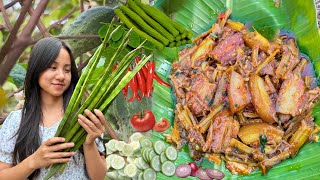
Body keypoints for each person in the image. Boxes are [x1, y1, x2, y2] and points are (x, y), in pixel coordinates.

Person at [0, 37, 107, 179]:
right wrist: (34, 161)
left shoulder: (84, 119)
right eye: (53, 67)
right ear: (37, 70)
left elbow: (98, 177)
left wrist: (89, 143)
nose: (61, 76)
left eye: (67, 70)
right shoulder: (17, 121)